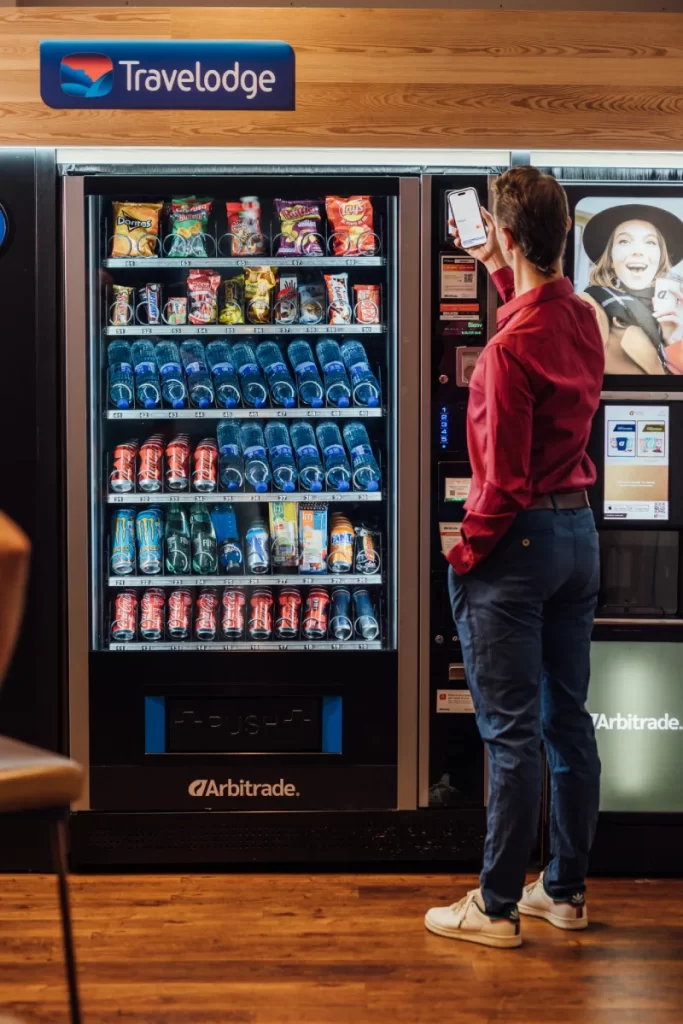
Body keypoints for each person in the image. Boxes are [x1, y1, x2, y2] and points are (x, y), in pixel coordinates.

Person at [425, 167, 604, 949]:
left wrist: (466, 550)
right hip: (577, 539)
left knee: (508, 734)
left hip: (518, 542)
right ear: (561, 233)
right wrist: (497, 265)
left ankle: (494, 907)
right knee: (566, 722)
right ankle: (561, 892)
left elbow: (498, 482)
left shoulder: (503, 352)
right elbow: (533, 306)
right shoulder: (582, 318)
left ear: (503, 232)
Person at [580, 204, 683, 374]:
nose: (638, 251)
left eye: (650, 242)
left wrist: (674, 341)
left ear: (660, 257)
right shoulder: (589, 309)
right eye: (624, 241)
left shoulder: (673, 311)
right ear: (611, 258)